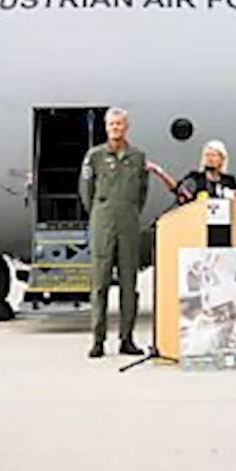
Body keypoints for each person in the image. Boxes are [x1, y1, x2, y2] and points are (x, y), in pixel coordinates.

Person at [78, 107, 149, 358]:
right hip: (103, 222)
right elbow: (86, 192)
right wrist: (100, 212)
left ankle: (126, 338)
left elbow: (142, 193)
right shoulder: (94, 156)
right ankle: (98, 339)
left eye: (119, 124)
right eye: (111, 125)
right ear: (106, 128)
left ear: (126, 127)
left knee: (129, 283)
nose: (115, 128)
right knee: (100, 282)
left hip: (128, 224)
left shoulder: (138, 157)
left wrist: (129, 211)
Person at [173, 139, 236, 203]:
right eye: (207, 155)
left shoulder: (229, 180)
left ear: (222, 159)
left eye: (213, 155)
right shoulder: (194, 177)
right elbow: (179, 191)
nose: (210, 159)